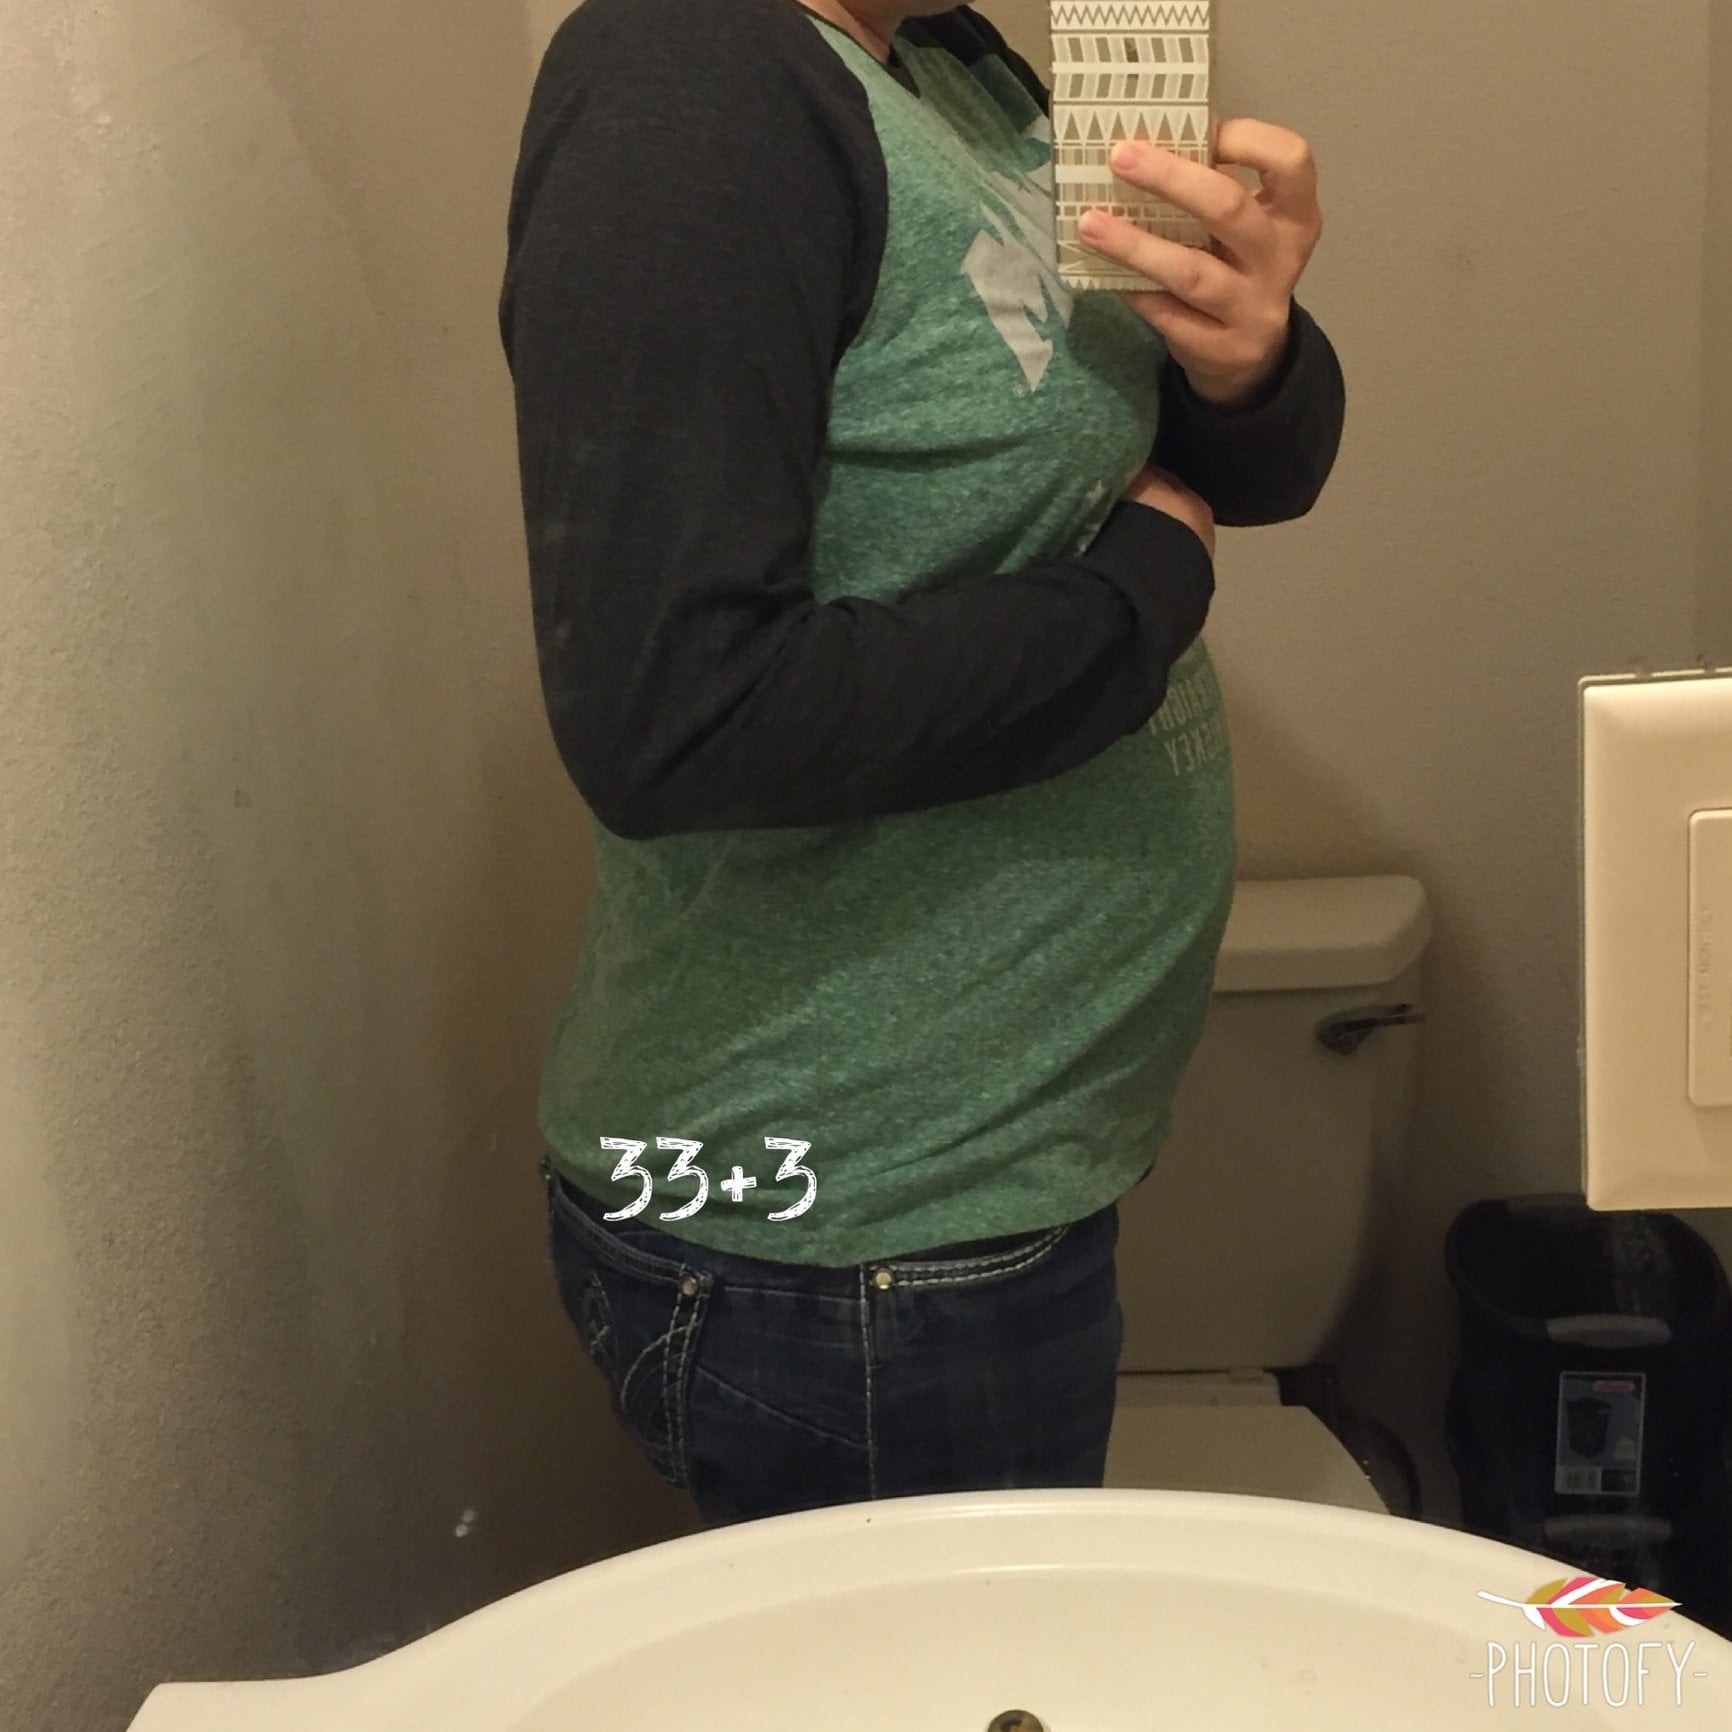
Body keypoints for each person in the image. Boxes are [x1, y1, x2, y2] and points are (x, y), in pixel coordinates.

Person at [497, 0, 1340, 1527]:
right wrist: (1149, 590)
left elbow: (1194, 459)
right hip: (855, 1239)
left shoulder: (954, 62)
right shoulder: (685, 83)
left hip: (971, 1188)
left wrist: (1254, 361)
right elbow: (677, 718)